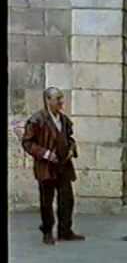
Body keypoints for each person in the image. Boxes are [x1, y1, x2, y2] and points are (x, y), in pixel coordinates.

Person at [21, 87, 85, 245]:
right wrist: (46, 154)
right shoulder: (36, 120)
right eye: (58, 99)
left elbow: (70, 138)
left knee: (67, 199)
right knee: (46, 201)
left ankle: (65, 231)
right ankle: (47, 231)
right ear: (48, 100)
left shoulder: (63, 119)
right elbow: (27, 143)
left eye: (61, 98)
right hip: (46, 167)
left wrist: (71, 149)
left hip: (63, 165)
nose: (61, 102)